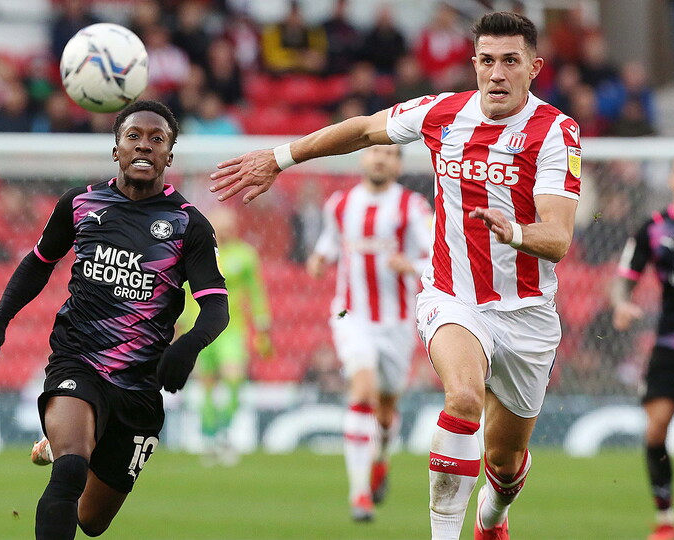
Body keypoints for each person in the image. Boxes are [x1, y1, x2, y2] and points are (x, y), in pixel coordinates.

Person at [210, 12, 581, 540]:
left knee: (503, 462)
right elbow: (362, 130)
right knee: (463, 400)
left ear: (533, 67)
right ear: (474, 64)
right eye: (487, 61)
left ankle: (491, 519)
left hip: (526, 312)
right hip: (453, 298)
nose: (497, 73)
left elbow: (559, 237)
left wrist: (515, 233)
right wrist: (280, 156)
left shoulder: (556, 132)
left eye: (510, 61)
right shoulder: (442, 113)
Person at [0, 100, 228, 539]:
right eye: (133, 137)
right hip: (78, 362)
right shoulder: (80, 203)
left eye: (157, 139)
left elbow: (216, 307)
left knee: (91, 521)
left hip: (139, 387)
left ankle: (69, 442)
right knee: (71, 468)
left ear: (170, 155)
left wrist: (187, 346)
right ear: (116, 150)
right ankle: (69, 443)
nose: (144, 146)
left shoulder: (189, 225)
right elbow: (38, 263)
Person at [306, 144, 432, 522]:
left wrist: (409, 265)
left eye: (390, 154)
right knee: (362, 391)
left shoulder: (414, 208)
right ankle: (359, 493)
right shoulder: (340, 204)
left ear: (398, 164)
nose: (380, 158)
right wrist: (318, 259)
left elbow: (437, 257)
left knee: (387, 409)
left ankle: (380, 459)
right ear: (363, 158)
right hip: (351, 314)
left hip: (396, 321)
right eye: (375, 151)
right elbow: (329, 244)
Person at [611, 152, 674, 540]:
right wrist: (622, 303)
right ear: (672, 181)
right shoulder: (653, 228)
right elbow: (626, 275)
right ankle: (666, 520)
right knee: (655, 433)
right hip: (669, 346)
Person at [181, 206, 271, 466]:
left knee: (233, 377)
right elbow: (182, 287)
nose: (226, 230)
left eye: (230, 225)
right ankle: (211, 437)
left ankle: (223, 428)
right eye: (221, 226)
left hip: (232, 328)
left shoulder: (245, 255)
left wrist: (263, 321)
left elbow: (256, 292)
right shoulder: (195, 251)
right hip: (197, 326)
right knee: (206, 383)